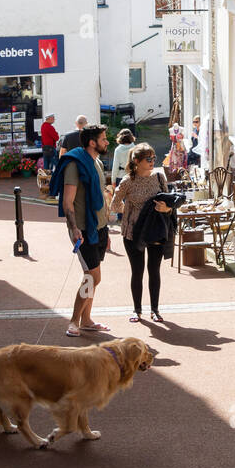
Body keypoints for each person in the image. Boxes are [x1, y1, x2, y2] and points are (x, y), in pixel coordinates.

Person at [55, 125, 112, 336]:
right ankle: (74, 321)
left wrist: (105, 227)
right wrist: (74, 229)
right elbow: (67, 202)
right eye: (103, 139)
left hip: (98, 227)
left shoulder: (96, 161)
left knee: (92, 276)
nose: (107, 142)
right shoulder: (75, 165)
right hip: (83, 229)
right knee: (91, 277)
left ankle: (86, 320)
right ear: (92, 142)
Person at [110, 143, 172, 324]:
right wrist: (129, 211)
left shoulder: (159, 178)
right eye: (149, 159)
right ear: (136, 161)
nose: (153, 162)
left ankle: (155, 310)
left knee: (154, 270)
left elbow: (169, 203)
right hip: (133, 232)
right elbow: (114, 205)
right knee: (137, 271)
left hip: (155, 230)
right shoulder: (127, 181)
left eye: (154, 158)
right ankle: (137, 310)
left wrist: (166, 208)